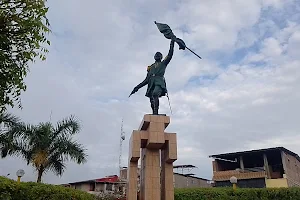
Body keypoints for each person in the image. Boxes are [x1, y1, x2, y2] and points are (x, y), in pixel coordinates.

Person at [130, 37, 175, 115]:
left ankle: (156, 113)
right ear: (154, 57)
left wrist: (172, 43)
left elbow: (170, 54)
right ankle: (154, 113)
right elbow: (146, 80)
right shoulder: (150, 67)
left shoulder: (163, 63)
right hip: (151, 83)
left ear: (161, 57)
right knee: (151, 99)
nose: (157, 55)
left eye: (159, 55)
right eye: (156, 55)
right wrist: (137, 87)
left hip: (159, 82)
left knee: (155, 93)